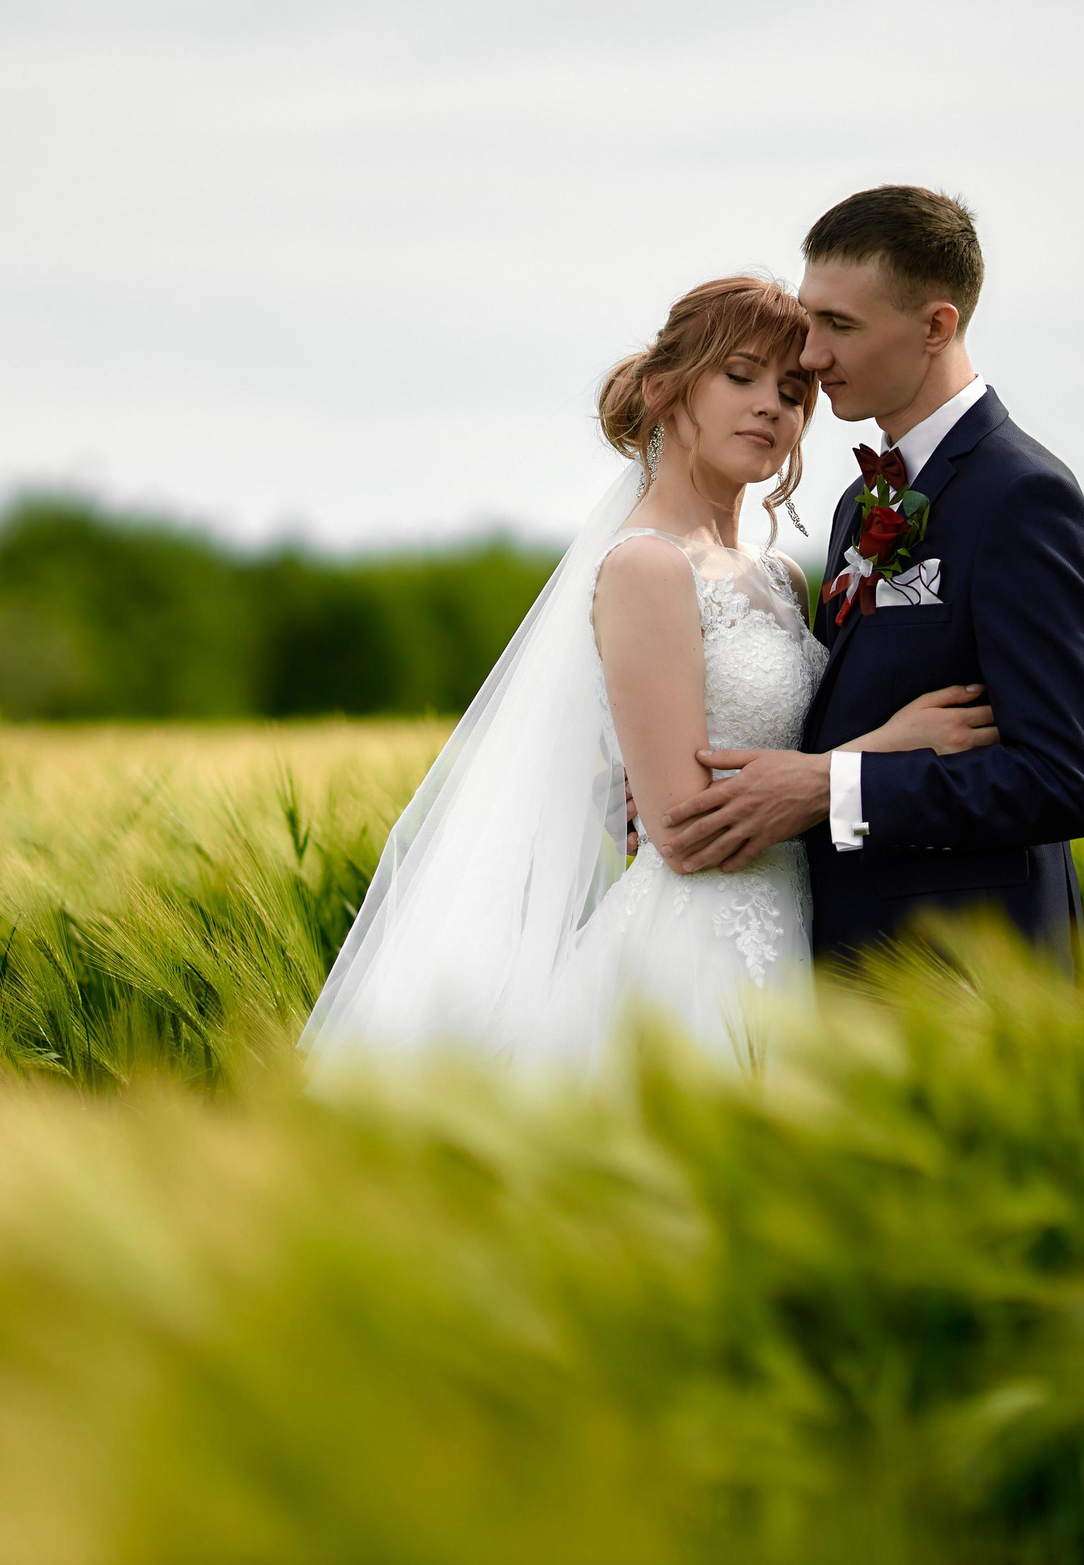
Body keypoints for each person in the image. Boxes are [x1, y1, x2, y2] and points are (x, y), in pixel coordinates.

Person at [302, 274, 994, 1074]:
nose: (771, 406)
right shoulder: (645, 566)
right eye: (741, 376)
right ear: (667, 387)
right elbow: (682, 827)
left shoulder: (779, 577)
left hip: (802, 929)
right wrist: (891, 747)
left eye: (792, 391)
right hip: (698, 956)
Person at [654, 186, 1084, 971]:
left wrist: (833, 790)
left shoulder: (1023, 498)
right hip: (831, 964)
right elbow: (825, 719)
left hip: (964, 979)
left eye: (839, 325)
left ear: (936, 326)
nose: (810, 355)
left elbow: (1071, 778)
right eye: (811, 319)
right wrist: (676, 793)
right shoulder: (859, 503)